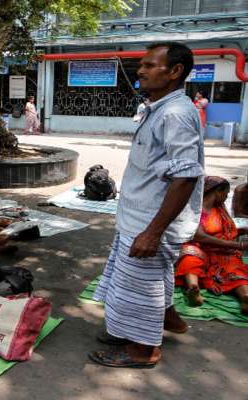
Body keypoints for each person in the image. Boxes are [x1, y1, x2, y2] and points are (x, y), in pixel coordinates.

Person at [89, 42, 204, 369]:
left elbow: (185, 177)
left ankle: (143, 350)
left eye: (150, 65)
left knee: (140, 290)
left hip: (150, 223)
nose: (140, 70)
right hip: (138, 218)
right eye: (141, 64)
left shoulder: (176, 114)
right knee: (139, 282)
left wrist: (153, 233)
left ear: (174, 71)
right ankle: (166, 321)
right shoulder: (159, 107)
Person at [175, 176, 248, 313]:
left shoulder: (219, 209)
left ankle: (245, 296)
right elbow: (199, 236)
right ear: (218, 192)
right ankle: (193, 288)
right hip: (200, 248)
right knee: (190, 256)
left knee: (235, 267)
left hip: (223, 252)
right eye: (226, 194)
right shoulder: (196, 210)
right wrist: (237, 246)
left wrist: (240, 231)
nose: (226, 198)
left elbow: (224, 231)